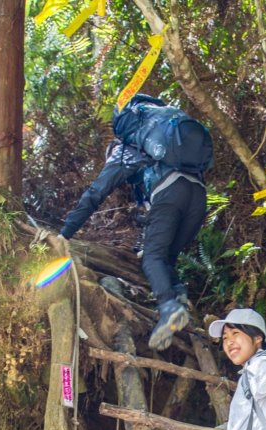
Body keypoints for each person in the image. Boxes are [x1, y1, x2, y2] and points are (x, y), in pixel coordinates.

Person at [57, 95, 208, 351]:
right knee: (165, 256)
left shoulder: (126, 150)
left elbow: (95, 193)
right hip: (199, 195)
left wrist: (65, 233)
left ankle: (169, 307)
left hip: (171, 192)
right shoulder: (163, 138)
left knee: (152, 258)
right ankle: (179, 295)